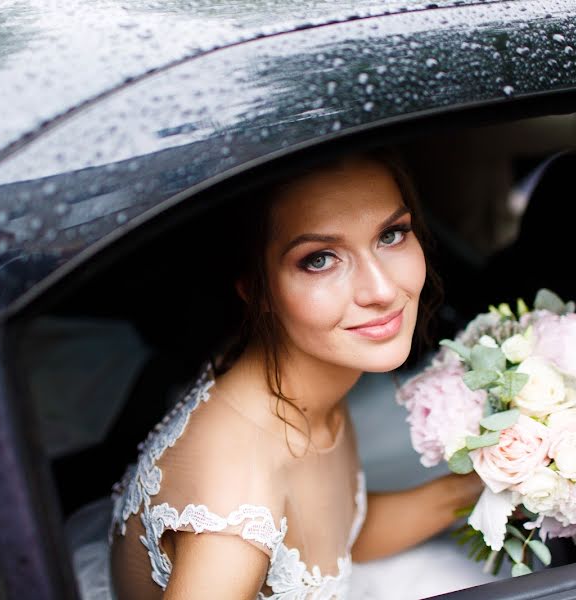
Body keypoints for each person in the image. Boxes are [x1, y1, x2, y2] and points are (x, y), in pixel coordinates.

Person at [107, 150, 485, 599]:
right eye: (320, 259)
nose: (382, 290)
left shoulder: (291, 369)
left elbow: (334, 539)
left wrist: (500, 481)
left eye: (391, 234)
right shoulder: (234, 515)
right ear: (255, 288)